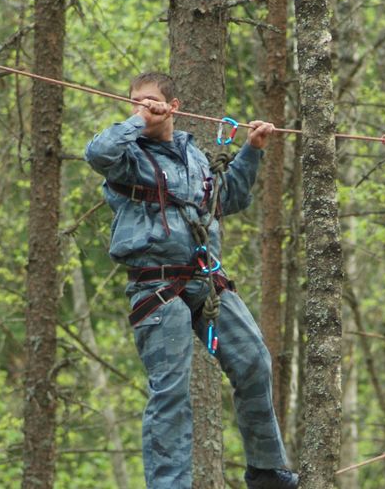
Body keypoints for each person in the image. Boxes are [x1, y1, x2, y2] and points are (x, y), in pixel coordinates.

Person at [85, 71, 298, 489]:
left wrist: (252, 150)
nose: (141, 107)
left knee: (254, 360)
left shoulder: (195, 156)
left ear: (174, 106)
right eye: (134, 101)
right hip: (156, 288)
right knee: (171, 390)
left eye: (150, 100)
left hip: (206, 281)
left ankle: (266, 470)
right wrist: (138, 120)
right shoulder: (128, 155)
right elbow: (97, 153)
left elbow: (228, 198)